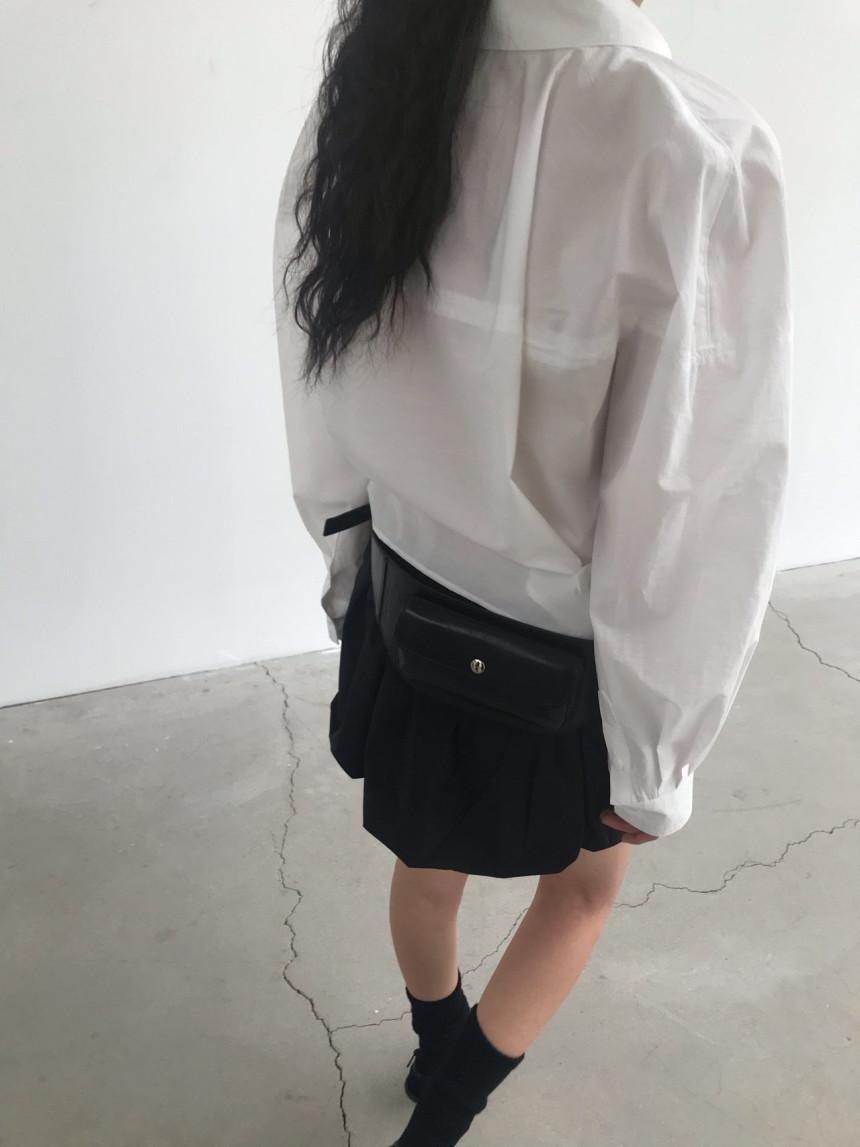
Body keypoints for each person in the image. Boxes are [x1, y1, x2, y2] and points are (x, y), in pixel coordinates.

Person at [271, 0, 792, 1143]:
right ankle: (441, 1117)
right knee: (584, 889)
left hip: (405, 591)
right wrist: (654, 752)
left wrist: (347, 556)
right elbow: (690, 497)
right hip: (556, 647)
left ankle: (432, 1040)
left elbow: (316, 348)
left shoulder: (383, 68)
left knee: (425, 856)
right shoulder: (687, 143)